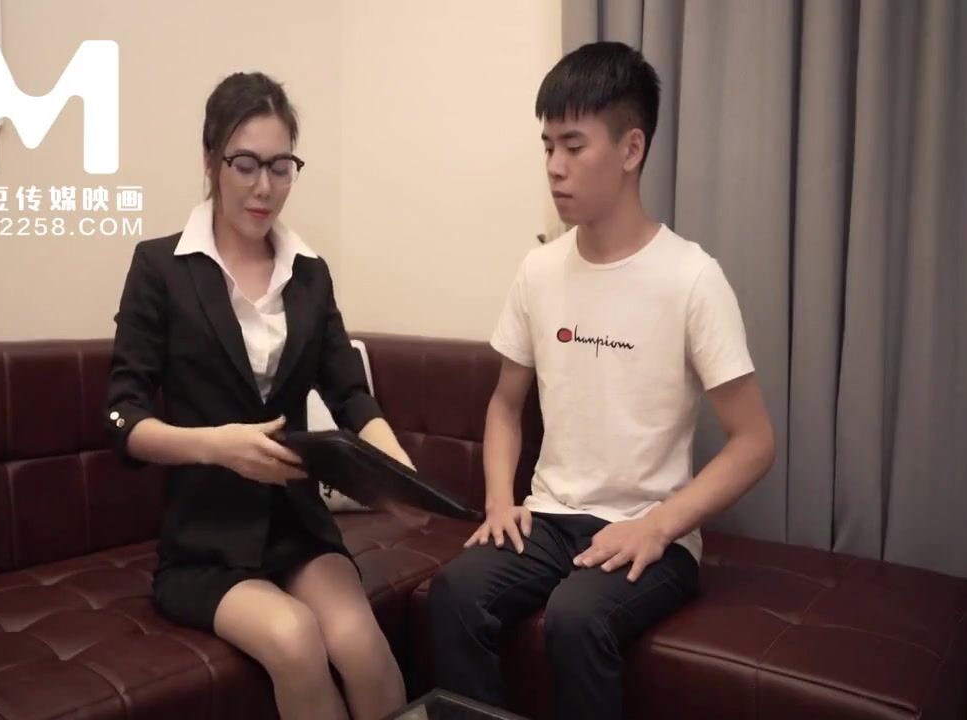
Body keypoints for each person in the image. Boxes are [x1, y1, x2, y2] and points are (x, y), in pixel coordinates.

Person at [427, 42, 776, 720]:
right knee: (454, 594)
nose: (554, 167)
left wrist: (660, 526)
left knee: (577, 617)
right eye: (547, 146)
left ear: (630, 149)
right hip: (550, 517)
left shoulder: (692, 278)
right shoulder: (539, 272)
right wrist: (499, 501)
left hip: (652, 529)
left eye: (573, 146)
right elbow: (504, 407)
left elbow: (754, 442)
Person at [105, 71, 408, 720]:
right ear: (211, 161)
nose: (264, 186)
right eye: (245, 164)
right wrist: (218, 447)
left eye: (280, 166)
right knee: (295, 639)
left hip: (295, 525)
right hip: (205, 540)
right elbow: (124, 417)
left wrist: (399, 474)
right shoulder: (160, 268)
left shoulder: (309, 274)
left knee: (361, 643)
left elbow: (350, 394)